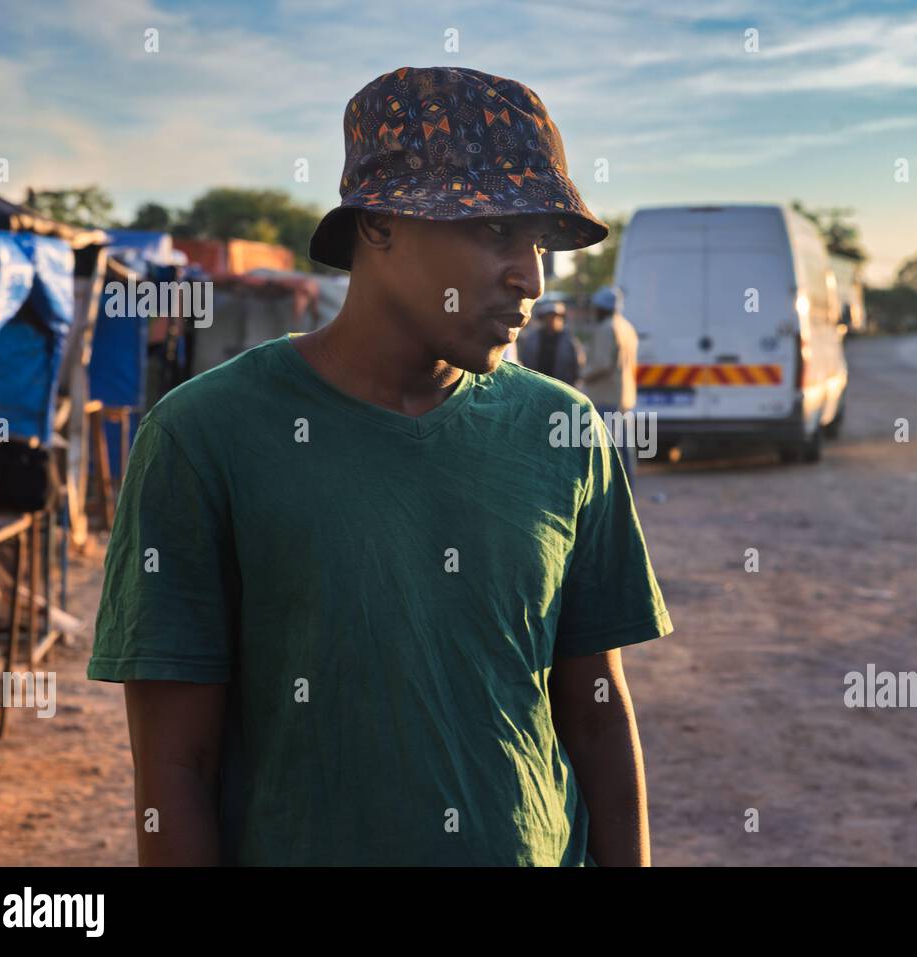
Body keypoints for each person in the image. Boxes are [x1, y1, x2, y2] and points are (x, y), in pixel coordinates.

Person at [87, 66, 673, 867]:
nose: (530, 277)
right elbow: (174, 771)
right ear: (380, 226)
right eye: (497, 230)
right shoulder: (202, 437)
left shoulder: (564, 431)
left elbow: (599, 715)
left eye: (539, 243)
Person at [580, 285, 640, 488]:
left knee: (603, 451)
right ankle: (627, 492)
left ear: (604, 308)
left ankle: (607, 496)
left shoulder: (607, 328)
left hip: (606, 396)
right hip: (624, 397)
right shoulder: (626, 327)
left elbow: (602, 363)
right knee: (623, 449)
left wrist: (582, 376)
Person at [517, 300, 583, 386]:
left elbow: (577, 367)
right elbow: (524, 363)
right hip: (535, 386)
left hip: (561, 388)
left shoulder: (570, 341)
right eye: (548, 317)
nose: (552, 320)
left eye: (556, 317)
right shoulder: (531, 339)